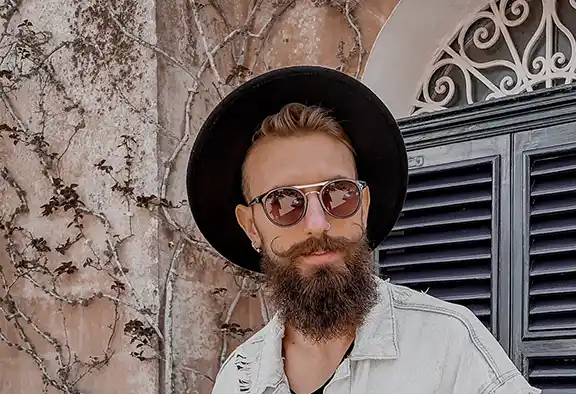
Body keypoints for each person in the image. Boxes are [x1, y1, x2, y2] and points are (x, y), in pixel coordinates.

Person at [186, 66, 541, 394]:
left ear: (364, 206)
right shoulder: (239, 379)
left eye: (339, 195)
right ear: (251, 225)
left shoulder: (448, 345)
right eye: (284, 202)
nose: (318, 224)